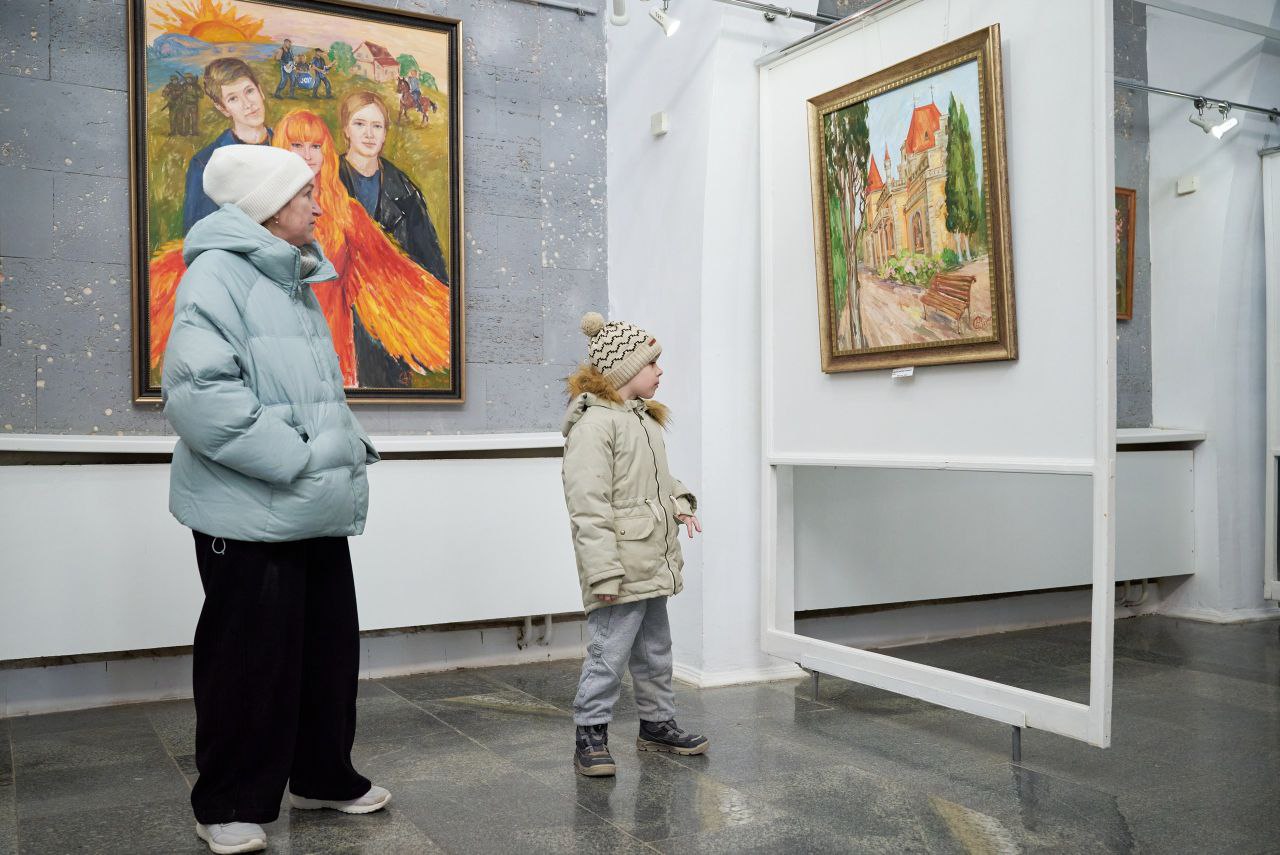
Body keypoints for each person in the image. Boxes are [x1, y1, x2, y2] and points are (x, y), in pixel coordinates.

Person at [162, 144, 390, 854]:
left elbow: (307, 392)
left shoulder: (290, 277)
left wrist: (341, 445)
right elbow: (200, 397)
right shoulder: (217, 275)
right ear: (267, 207)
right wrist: (297, 457)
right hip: (251, 507)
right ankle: (227, 801)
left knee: (327, 652)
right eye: (305, 195)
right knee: (248, 660)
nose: (318, 206)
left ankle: (322, 774)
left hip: (310, 502)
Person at [148, 109, 451, 389]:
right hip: (271, 358)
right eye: (297, 145)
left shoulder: (348, 213)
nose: (307, 155)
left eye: (315, 146)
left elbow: (392, 277)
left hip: (333, 352)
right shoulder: (256, 218)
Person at [561, 313, 709, 777]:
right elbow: (588, 506)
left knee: (655, 651)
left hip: (651, 562)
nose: (660, 371)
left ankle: (657, 724)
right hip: (620, 567)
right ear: (625, 369)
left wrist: (679, 501)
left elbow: (656, 481)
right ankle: (590, 733)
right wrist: (603, 572)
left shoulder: (643, 420)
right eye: (652, 363)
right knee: (608, 653)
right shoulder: (594, 426)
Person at [337, 91, 450, 284]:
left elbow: (433, 267)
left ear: (384, 134)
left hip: (395, 292)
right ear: (346, 129)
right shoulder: (327, 180)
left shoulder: (406, 192)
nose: (369, 134)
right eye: (360, 124)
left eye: (377, 126)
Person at [182, 58, 273, 233]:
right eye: (233, 99)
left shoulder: (287, 145)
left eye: (249, 91)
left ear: (260, 91)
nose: (248, 104)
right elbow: (198, 234)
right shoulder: (204, 164)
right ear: (222, 108)